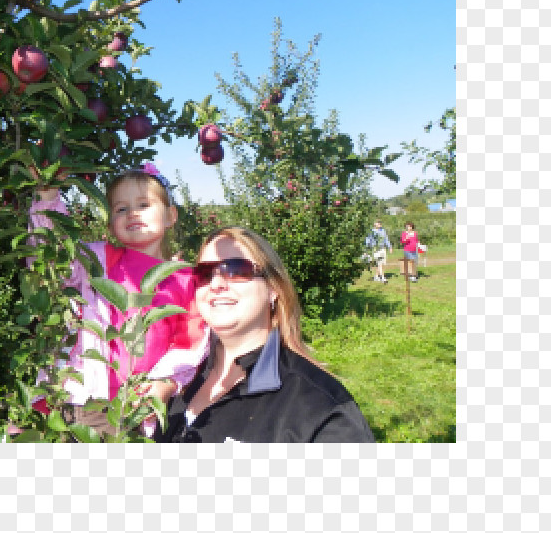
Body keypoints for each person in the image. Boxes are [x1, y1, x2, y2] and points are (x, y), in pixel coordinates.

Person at [29, 163, 208, 435]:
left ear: (171, 216)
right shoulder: (98, 260)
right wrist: (48, 197)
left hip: (140, 406)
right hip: (86, 401)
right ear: (111, 224)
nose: (132, 213)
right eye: (121, 209)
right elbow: (52, 254)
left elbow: (191, 341)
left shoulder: (186, 278)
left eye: (144, 204)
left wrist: (167, 383)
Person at [154, 226, 375, 443]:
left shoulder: (319, 407)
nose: (216, 284)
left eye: (236, 270)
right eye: (204, 273)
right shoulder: (173, 371)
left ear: (273, 289)